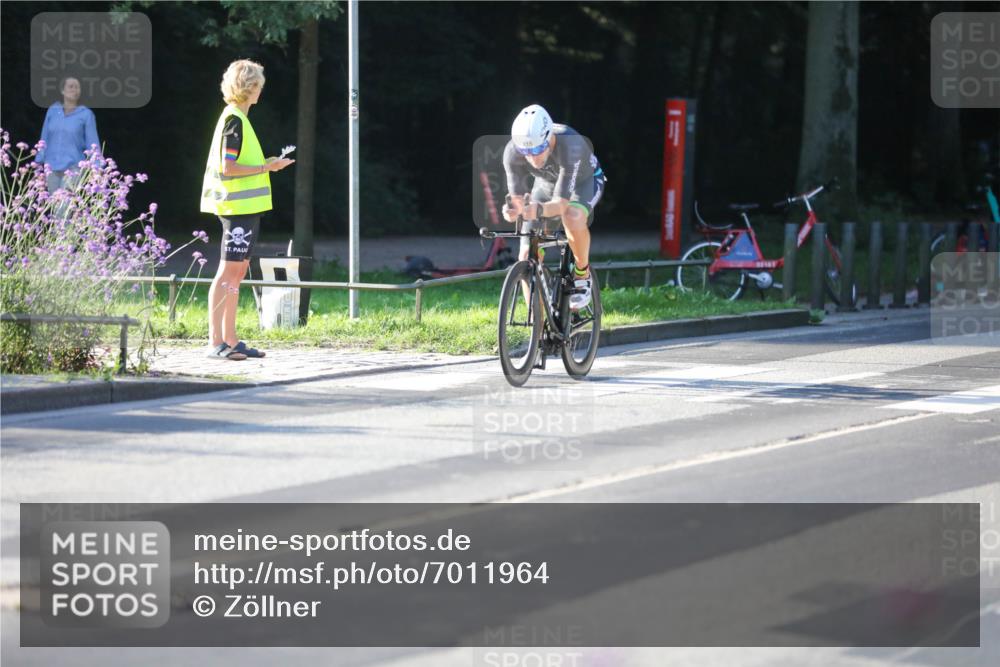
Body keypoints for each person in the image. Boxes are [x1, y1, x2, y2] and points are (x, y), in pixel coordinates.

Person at [200, 59, 294, 361]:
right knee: (228, 272)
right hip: (236, 208)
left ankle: (231, 338)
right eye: (259, 87)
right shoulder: (234, 120)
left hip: (245, 208)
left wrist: (266, 165)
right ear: (250, 87)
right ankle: (217, 342)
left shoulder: (238, 118)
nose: (261, 92)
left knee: (237, 273)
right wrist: (266, 166)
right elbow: (228, 168)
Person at [501, 104, 606, 310]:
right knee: (525, 255)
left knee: (572, 216)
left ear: (549, 138)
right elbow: (517, 200)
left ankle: (582, 274)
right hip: (547, 185)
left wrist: (538, 210)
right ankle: (537, 326)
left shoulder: (570, 145)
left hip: (584, 183)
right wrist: (513, 211)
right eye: (526, 152)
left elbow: (561, 204)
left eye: (538, 149)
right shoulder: (512, 151)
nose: (532, 158)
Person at [35, 77, 101, 193]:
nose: (74, 90)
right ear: (62, 90)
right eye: (71, 86)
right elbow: (44, 138)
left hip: (73, 168)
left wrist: (97, 168)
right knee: (53, 207)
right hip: (51, 167)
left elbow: (93, 143)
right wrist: (38, 163)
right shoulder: (53, 110)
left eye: (77, 87)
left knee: (64, 208)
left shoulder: (86, 114)